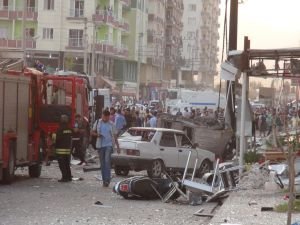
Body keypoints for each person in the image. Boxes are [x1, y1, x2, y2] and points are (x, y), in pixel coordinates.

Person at [92, 110, 120, 187]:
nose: (105, 118)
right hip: (100, 145)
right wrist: (97, 134)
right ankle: (104, 180)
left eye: (106, 117)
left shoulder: (111, 124)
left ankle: (107, 179)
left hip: (109, 145)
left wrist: (117, 147)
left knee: (107, 162)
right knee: (102, 163)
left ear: (109, 117)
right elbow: (92, 132)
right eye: (103, 117)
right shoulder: (98, 122)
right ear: (102, 115)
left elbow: (115, 136)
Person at [54, 115, 73, 182]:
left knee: (62, 165)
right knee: (67, 164)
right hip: (67, 150)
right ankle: (69, 176)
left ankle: (64, 177)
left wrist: (51, 135)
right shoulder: (69, 129)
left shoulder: (60, 129)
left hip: (60, 150)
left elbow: (57, 139)